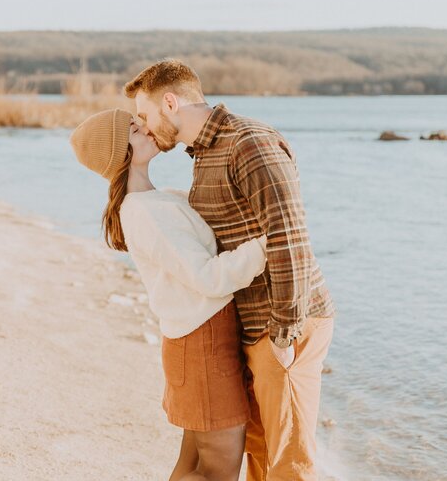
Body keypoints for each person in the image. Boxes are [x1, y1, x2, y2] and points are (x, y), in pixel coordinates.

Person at [123, 59, 336, 481]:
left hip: (282, 322)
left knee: (290, 463)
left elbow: (290, 236)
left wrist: (285, 333)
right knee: (258, 454)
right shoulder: (204, 153)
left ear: (170, 103)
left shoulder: (247, 142)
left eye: (145, 115)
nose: (145, 127)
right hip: (251, 327)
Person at [70, 108, 268, 481]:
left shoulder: (157, 201)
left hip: (196, 341)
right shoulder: (145, 211)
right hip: (203, 344)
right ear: (118, 151)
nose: (146, 126)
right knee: (218, 471)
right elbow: (208, 278)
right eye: (133, 127)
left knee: (193, 466)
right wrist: (267, 244)